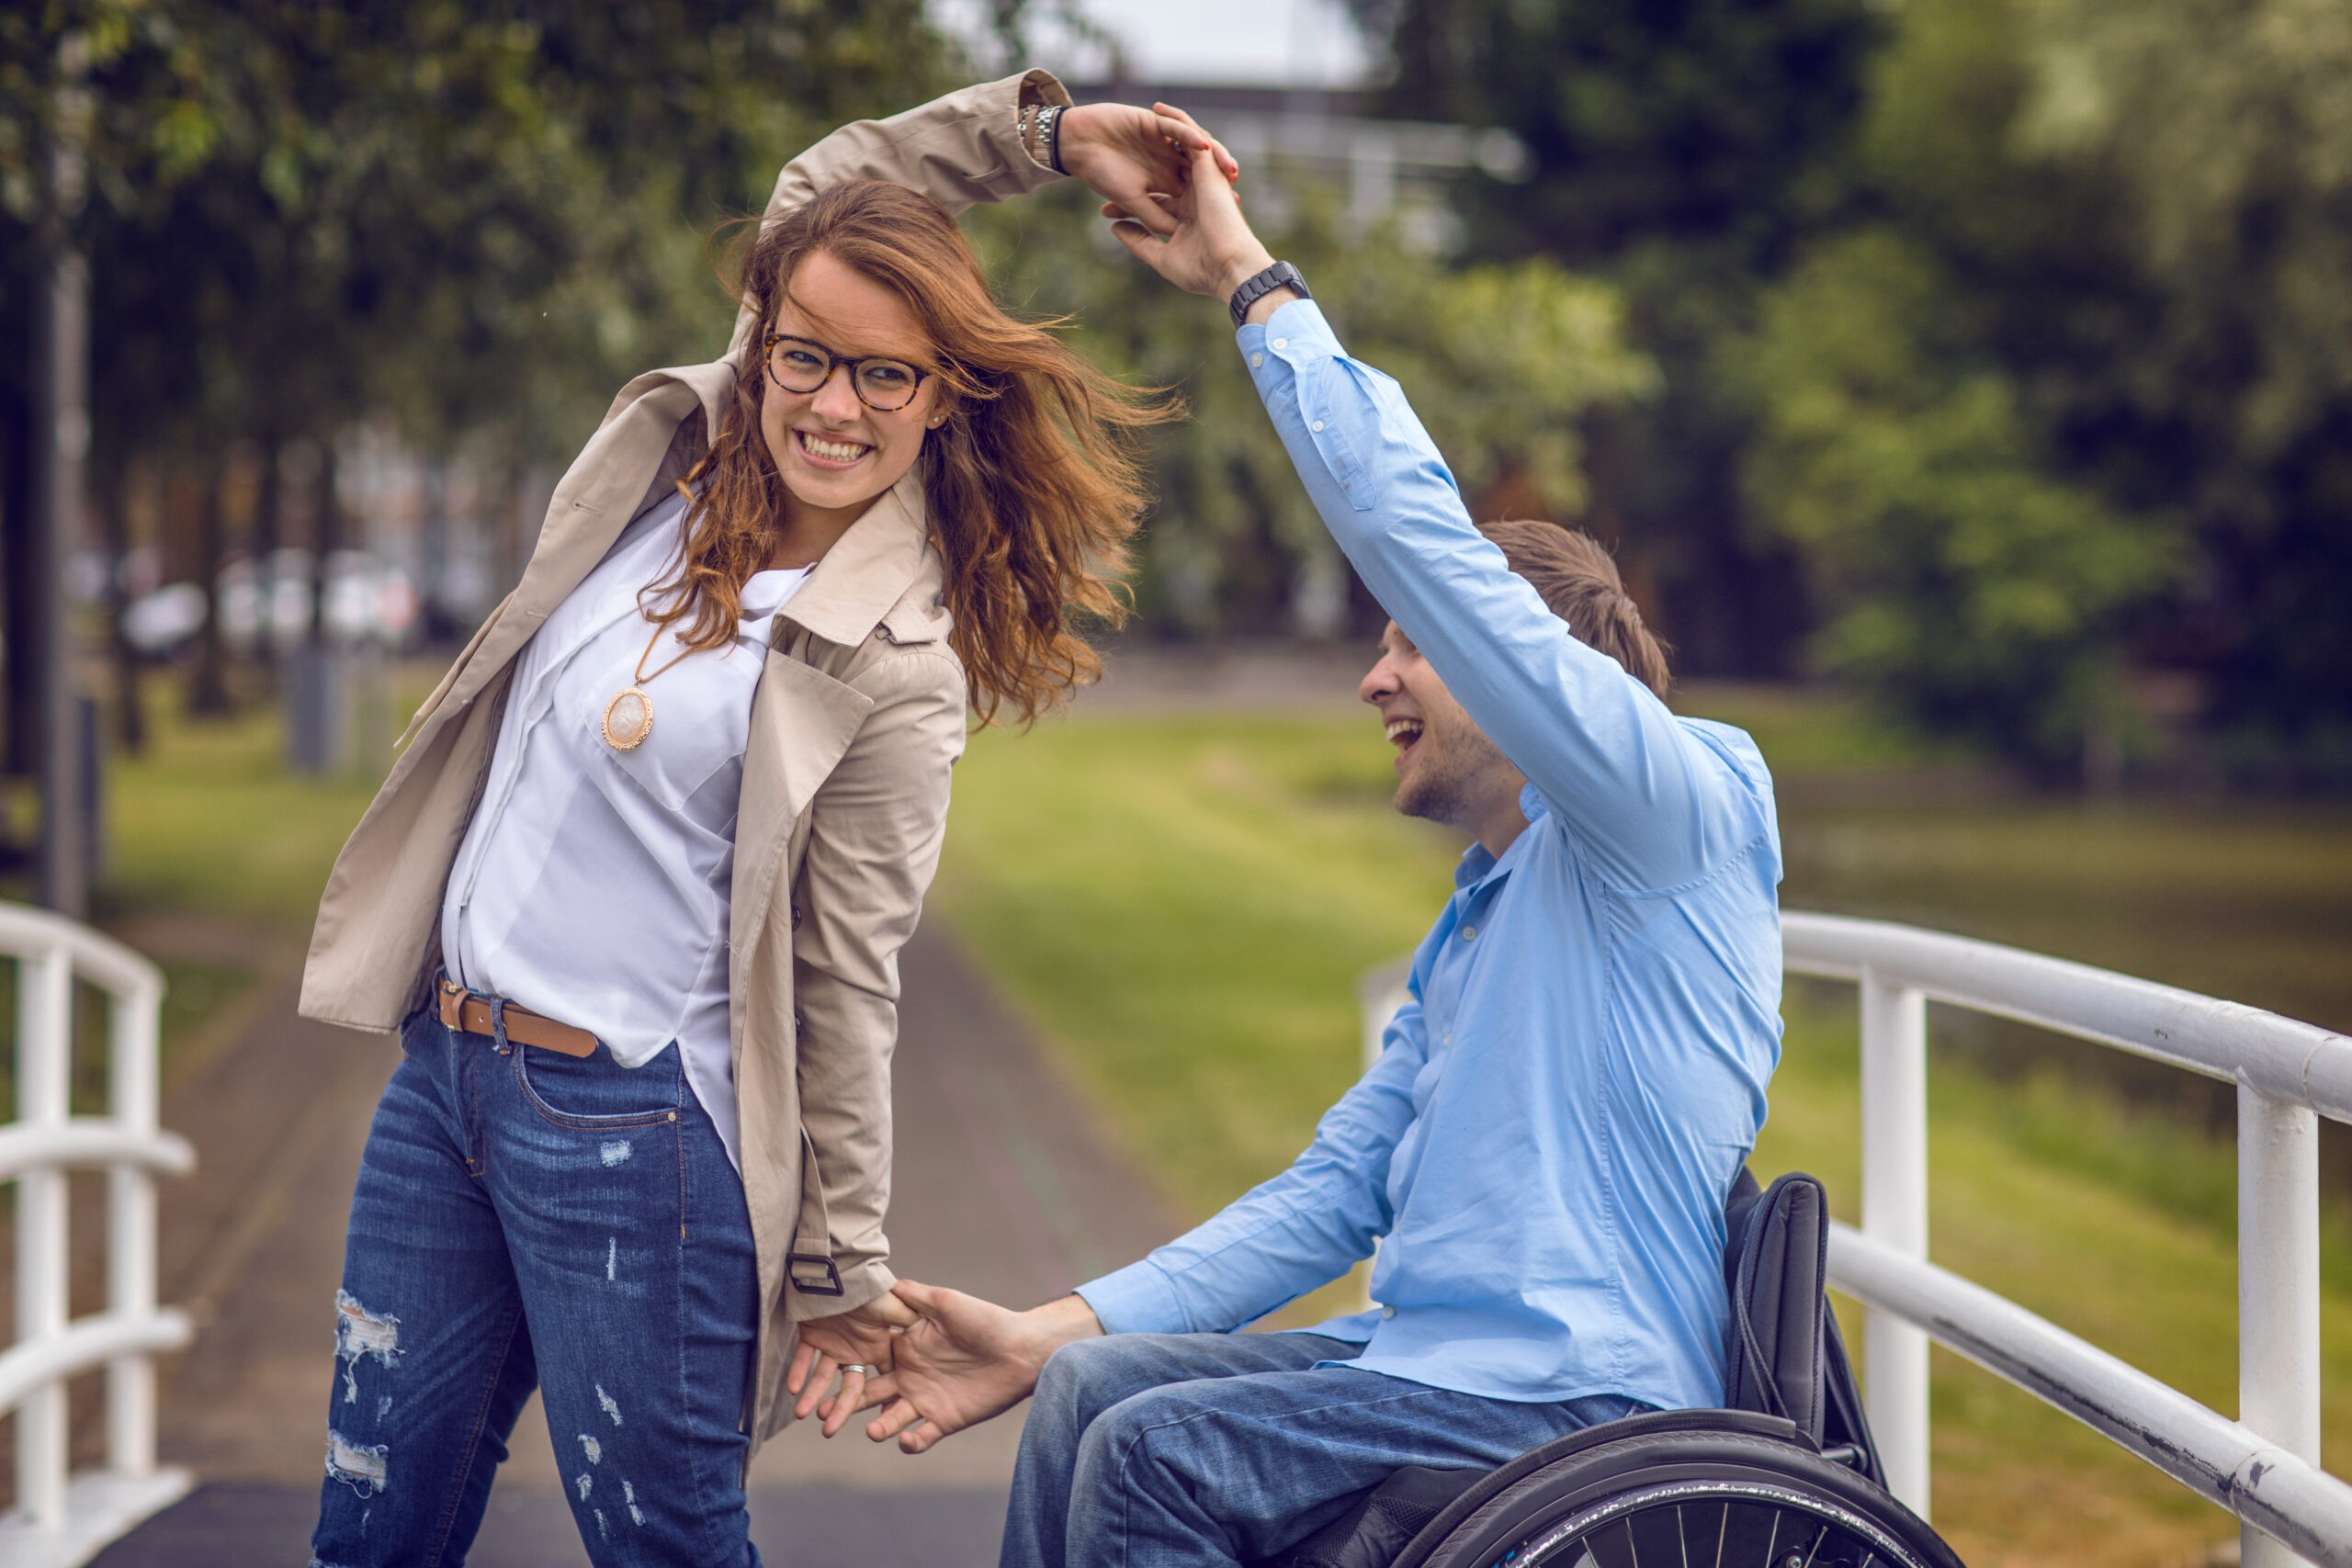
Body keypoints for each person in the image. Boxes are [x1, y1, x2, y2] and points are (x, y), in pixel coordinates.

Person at [297, 74, 1237, 1567]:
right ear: (767, 344)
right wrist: (1051, 140)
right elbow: (835, 175)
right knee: (366, 1536)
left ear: (942, 396)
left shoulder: (897, 660)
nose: (834, 404)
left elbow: (846, 977)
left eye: (887, 377)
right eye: (808, 358)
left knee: (666, 1549)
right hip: (443, 1088)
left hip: (630, 1132)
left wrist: (842, 1262)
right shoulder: (698, 463)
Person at [842, 117, 1787, 1568]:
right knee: (1088, 1396)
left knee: (1156, 1455)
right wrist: (1043, 1333)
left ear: (1526, 662)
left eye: (1412, 645)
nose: (1374, 679)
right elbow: (1332, 1195)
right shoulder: (1484, 917)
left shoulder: (1674, 815)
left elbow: (1416, 533)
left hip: (1580, 1411)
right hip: (1426, 1373)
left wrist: (1248, 277)